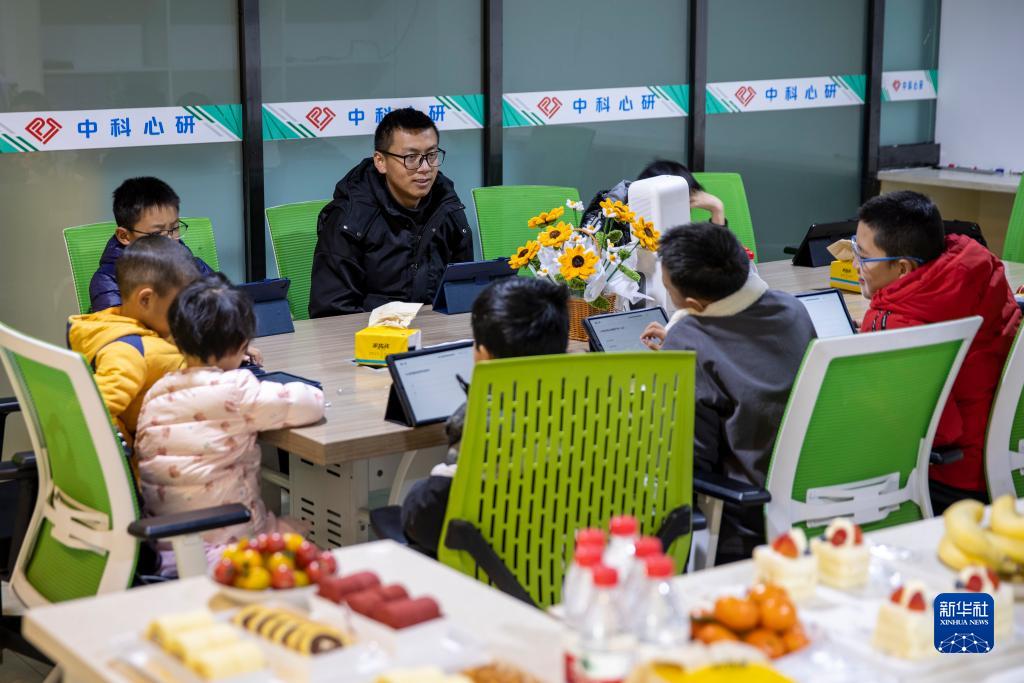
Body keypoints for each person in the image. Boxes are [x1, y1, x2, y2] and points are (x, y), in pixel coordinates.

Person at [641, 223, 816, 562]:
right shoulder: (792, 308)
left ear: (693, 303)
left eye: (668, 288)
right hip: (809, 496)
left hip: (745, 519)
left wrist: (677, 365)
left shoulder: (690, 340)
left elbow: (686, 460)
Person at [134, 274, 324, 572]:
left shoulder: (158, 389)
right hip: (226, 550)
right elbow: (307, 405)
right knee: (309, 539)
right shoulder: (236, 391)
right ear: (241, 344)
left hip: (164, 544)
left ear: (177, 339)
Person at [853, 190, 1021, 514]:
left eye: (863, 257)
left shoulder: (894, 325)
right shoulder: (981, 270)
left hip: (953, 481)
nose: (854, 264)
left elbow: (933, 430)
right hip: (1003, 464)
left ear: (903, 268)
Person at [401, 277, 570, 555]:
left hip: (491, 564)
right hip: (563, 556)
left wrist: (412, 500)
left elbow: (429, 516)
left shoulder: (487, 420)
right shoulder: (583, 406)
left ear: (483, 355)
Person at [309, 107, 474, 318]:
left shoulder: (447, 207)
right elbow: (331, 313)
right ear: (381, 161)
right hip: (371, 334)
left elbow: (462, 291)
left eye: (431, 155)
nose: (425, 168)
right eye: (411, 157)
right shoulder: (350, 221)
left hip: (436, 330)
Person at [69, 235, 200, 446]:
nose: (184, 314)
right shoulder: (128, 352)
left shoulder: (133, 325)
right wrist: (125, 453)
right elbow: (90, 411)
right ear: (145, 299)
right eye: (179, 306)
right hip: (159, 457)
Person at [89, 176, 214, 313]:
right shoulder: (108, 280)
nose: (170, 241)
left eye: (174, 228)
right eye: (156, 233)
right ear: (124, 236)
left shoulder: (193, 265)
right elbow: (113, 324)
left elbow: (223, 305)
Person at [582, 159, 726, 229]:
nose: (687, 211)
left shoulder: (670, 229)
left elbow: (718, 263)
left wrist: (717, 209)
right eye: (684, 201)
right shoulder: (617, 223)